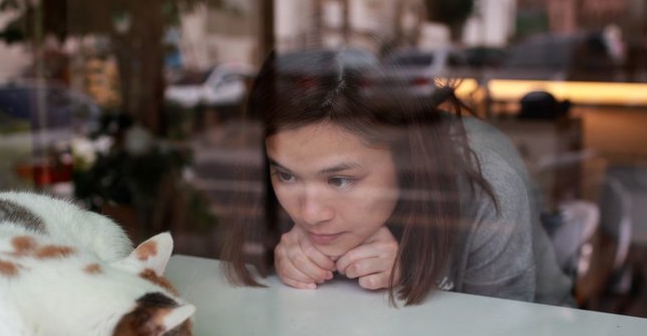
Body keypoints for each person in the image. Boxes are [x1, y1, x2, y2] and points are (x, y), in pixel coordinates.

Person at [221, 48, 573, 307]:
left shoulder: (489, 181)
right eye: (286, 175)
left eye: (339, 181)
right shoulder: (303, 173)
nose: (310, 214)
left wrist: (424, 281)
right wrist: (282, 261)